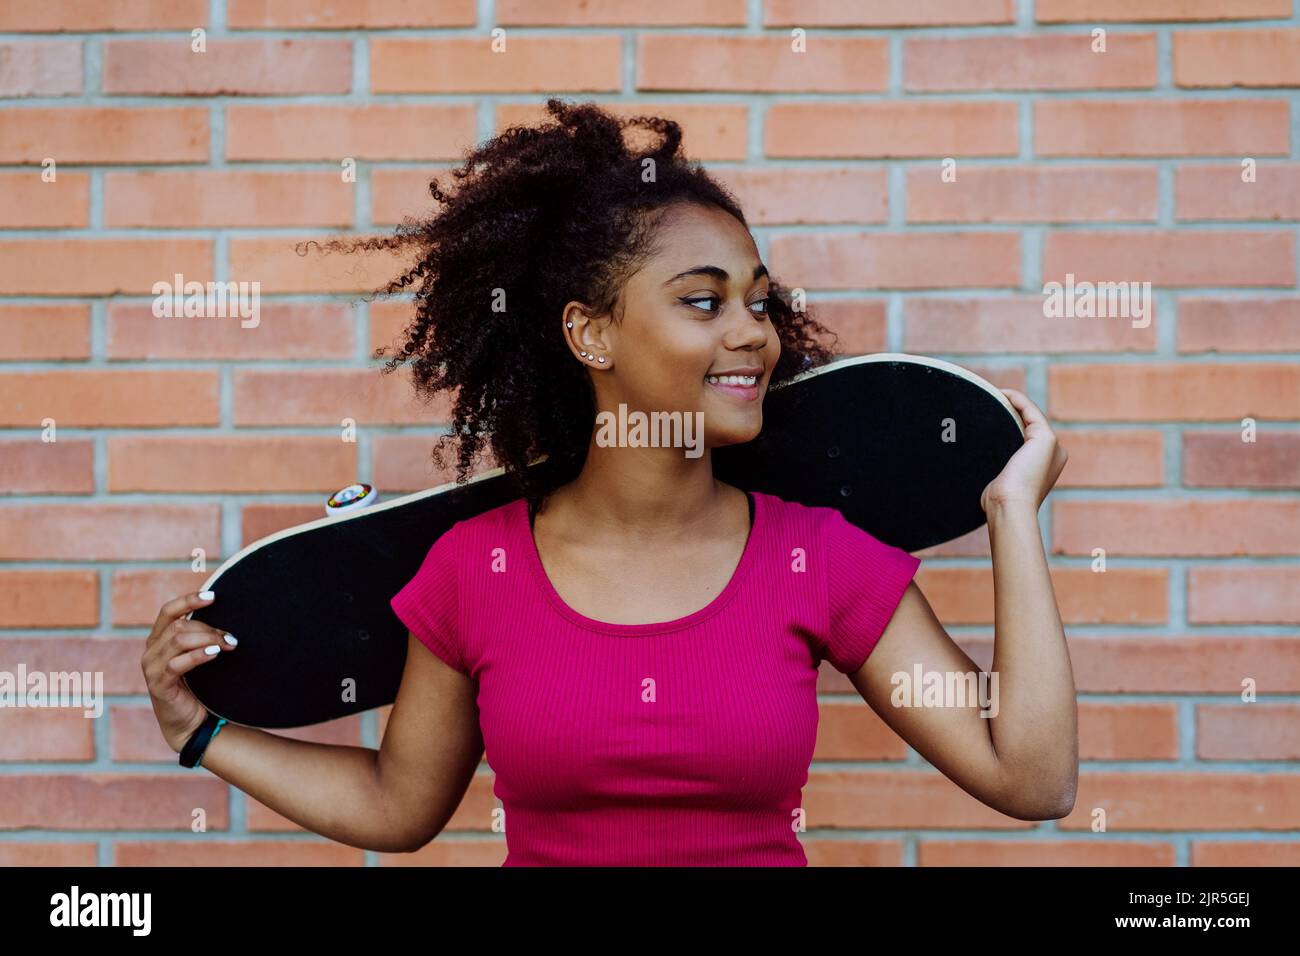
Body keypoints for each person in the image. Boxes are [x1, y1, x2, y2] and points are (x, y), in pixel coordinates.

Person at [142, 99, 1075, 866]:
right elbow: (398, 806)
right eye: (703, 302)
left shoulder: (817, 556)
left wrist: (1011, 516)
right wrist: (198, 731)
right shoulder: (475, 569)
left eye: (759, 300)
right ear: (590, 335)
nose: (752, 331)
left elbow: (1032, 781)